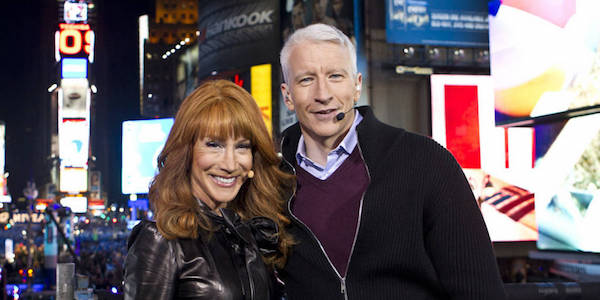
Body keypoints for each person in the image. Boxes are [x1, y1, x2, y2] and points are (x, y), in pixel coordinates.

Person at [278, 23, 507, 299]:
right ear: (287, 96)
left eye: (336, 76)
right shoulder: (271, 181)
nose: (323, 94)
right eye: (306, 80)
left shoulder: (427, 162)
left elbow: (479, 291)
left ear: (357, 86)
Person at [124, 80, 295, 300]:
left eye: (242, 146)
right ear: (187, 152)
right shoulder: (161, 239)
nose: (230, 164)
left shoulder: (253, 235)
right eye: (214, 145)